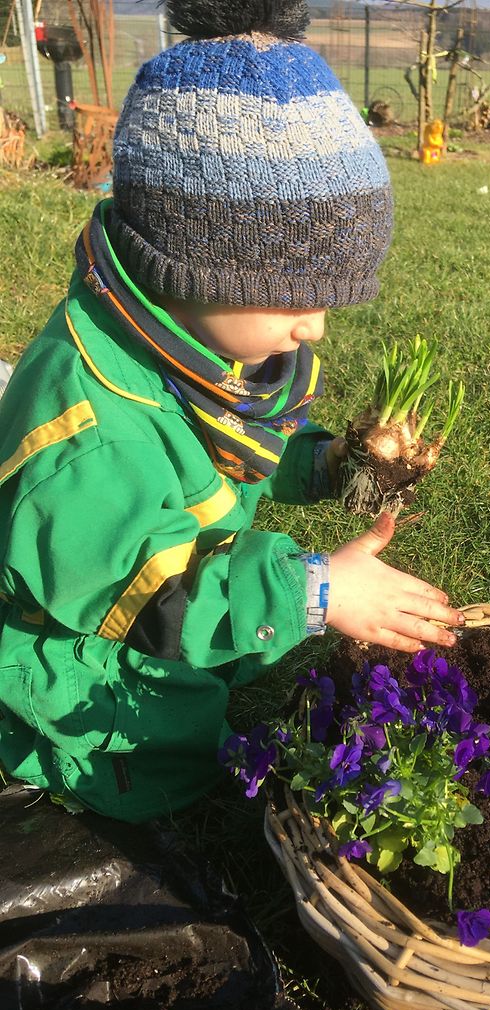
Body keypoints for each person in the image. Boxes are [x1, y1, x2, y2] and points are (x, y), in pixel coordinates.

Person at [0, 0, 462, 822]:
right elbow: (160, 600)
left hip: (162, 609)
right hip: (83, 670)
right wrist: (313, 591)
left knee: (214, 665)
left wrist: (326, 462)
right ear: (191, 265)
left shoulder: (184, 349)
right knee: (167, 749)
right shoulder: (89, 435)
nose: (316, 327)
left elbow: (229, 448)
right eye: (296, 297)